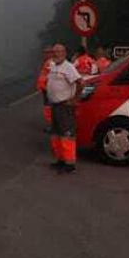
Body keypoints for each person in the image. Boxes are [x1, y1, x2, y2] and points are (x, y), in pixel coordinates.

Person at [46, 43, 83, 173]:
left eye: (58, 51)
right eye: (54, 52)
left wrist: (75, 100)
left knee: (67, 135)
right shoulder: (53, 66)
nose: (56, 54)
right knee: (56, 135)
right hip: (55, 106)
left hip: (64, 106)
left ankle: (70, 164)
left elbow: (80, 83)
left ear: (64, 53)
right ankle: (60, 160)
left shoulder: (69, 67)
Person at [35, 45, 57, 131]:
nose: (45, 54)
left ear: (51, 53)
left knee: (50, 107)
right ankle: (53, 125)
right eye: (44, 52)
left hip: (49, 89)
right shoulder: (48, 62)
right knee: (49, 107)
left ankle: (53, 126)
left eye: (47, 52)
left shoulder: (51, 62)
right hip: (46, 88)